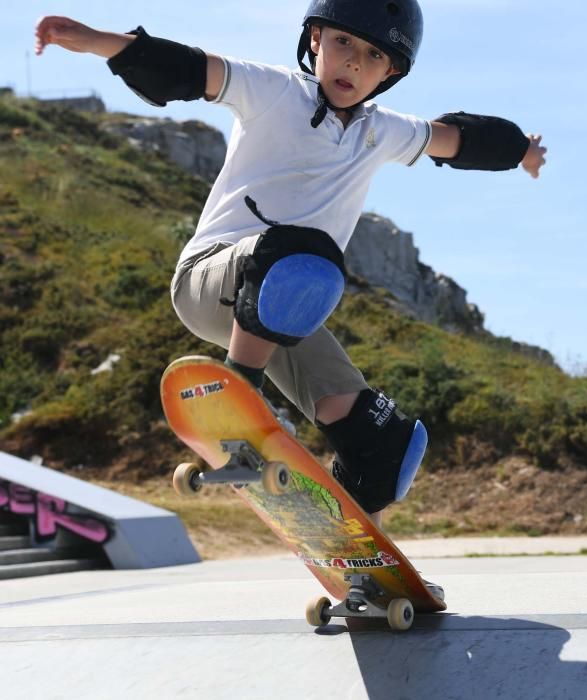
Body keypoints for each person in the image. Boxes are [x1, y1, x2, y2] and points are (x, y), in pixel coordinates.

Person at [35, 2, 546, 546]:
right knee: (303, 252)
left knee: (390, 441)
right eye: (344, 44)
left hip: (288, 304)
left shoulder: (384, 132)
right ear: (317, 39)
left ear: (390, 73)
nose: (354, 64)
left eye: (374, 56)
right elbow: (186, 68)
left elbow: (461, 140)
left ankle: (355, 551)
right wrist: (97, 41)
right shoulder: (274, 91)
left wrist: (522, 152)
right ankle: (239, 400)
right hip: (212, 278)